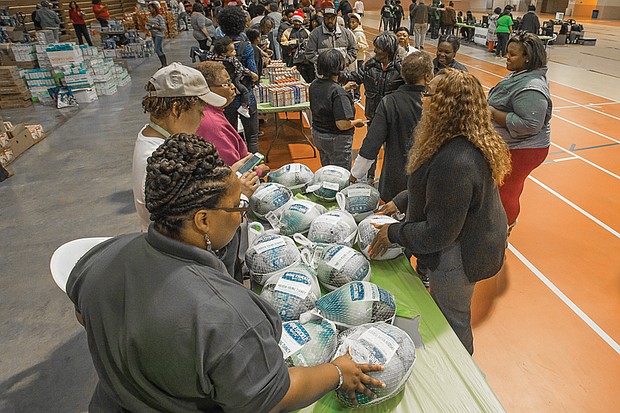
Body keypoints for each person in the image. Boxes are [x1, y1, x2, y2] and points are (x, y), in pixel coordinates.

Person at [71, 133, 385, 413]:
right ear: (203, 220)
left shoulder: (100, 256)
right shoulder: (225, 313)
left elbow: (83, 313)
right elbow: (273, 397)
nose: (240, 217)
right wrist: (338, 372)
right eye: (237, 208)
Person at [368, 69, 511, 355]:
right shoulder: (457, 140)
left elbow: (438, 233)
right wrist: (401, 201)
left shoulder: (456, 160)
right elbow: (436, 191)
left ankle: (463, 375)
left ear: (445, 105)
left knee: (452, 318)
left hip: (460, 256)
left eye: (428, 93)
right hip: (471, 239)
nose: (423, 99)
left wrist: (393, 232)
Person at [133, 63, 228, 232]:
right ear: (177, 108)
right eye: (200, 111)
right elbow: (189, 223)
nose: (203, 117)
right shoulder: (158, 159)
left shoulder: (152, 135)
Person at [488, 33, 551, 236]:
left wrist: (492, 112)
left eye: (512, 54)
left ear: (528, 58)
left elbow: (531, 124)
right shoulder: (520, 74)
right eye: (507, 52)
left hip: (524, 149)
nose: (506, 57)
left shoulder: (532, 87)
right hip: (514, 145)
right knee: (506, 189)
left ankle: (500, 235)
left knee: (506, 192)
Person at [351, 51, 432, 201]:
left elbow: (372, 142)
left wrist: (355, 174)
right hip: (427, 184)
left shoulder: (390, 102)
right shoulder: (439, 104)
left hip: (394, 182)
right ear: (428, 76)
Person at [310, 49, 365, 169]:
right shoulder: (339, 93)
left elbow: (327, 98)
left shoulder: (314, 85)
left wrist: (343, 89)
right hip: (336, 139)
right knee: (340, 174)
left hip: (318, 134)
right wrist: (357, 122)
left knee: (326, 170)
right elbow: (342, 124)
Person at [218, 5, 260, 153]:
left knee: (232, 137)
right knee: (252, 138)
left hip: (226, 99)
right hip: (246, 96)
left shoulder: (218, 47)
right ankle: (256, 172)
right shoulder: (246, 47)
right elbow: (254, 72)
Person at [195, 61, 250, 165]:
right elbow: (231, 167)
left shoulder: (210, 111)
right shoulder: (212, 124)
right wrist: (259, 170)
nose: (232, 87)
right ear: (208, 89)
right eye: (227, 84)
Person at [341, 31, 403, 123]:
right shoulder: (369, 66)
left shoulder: (401, 70)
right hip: (372, 118)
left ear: (388, 50)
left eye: (378, 48)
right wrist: (335, 72)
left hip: (393, 120)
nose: (375, 50)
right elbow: (354, 77)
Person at [207, 36, 258, 118]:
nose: (234, 52)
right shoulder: (232, 59)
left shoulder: (213, 57)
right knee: (245, 91)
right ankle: (244, 107)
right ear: (224, 53)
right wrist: (252, 74)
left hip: (219, 82)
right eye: (232, 51)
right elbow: (241, 69)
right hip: (233, 80)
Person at [305, 3, 358, 71]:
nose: (330, 20)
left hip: (342, 73)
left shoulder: (346, 33)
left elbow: (354, 50)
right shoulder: (315, 34)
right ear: (323, 18)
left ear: (336, 17)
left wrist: (344, 61)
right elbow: (309, 53)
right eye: (327, 18)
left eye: (332, 18)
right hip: (323, 75)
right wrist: (324, 63)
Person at [281, 10, 313, 82]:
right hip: (291, 59)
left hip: (305, 61)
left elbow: (311, 44)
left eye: (299, 21)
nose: (297, 23)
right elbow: (283, 43)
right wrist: (295, 43)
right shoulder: (287, 31)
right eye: (295, 21)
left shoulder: (307, 32)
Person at [348, 13, 367, 100]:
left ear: (358, 23)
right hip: (352, 59)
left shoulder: (359, 34)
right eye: (350, 22)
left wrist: (357, 44)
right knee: (352, 76)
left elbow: (365, 46)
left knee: (358, 77)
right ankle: (353, 93)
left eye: (354, 22)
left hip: (359, 59)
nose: (351, 24)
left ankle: (357, 95)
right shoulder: (350, 32)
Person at [146, 1, 167, 68]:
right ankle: (163, 64)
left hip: (159, 35)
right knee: (160, 49)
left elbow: (163, 27)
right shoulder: (150, 17)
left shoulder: (159, 17)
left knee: (157, 49)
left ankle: (164, 63)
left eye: (150, 8)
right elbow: (149, 25)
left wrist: (152, 25)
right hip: (153, 35)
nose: (149, 10)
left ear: (154, 9)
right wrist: (147, 27)